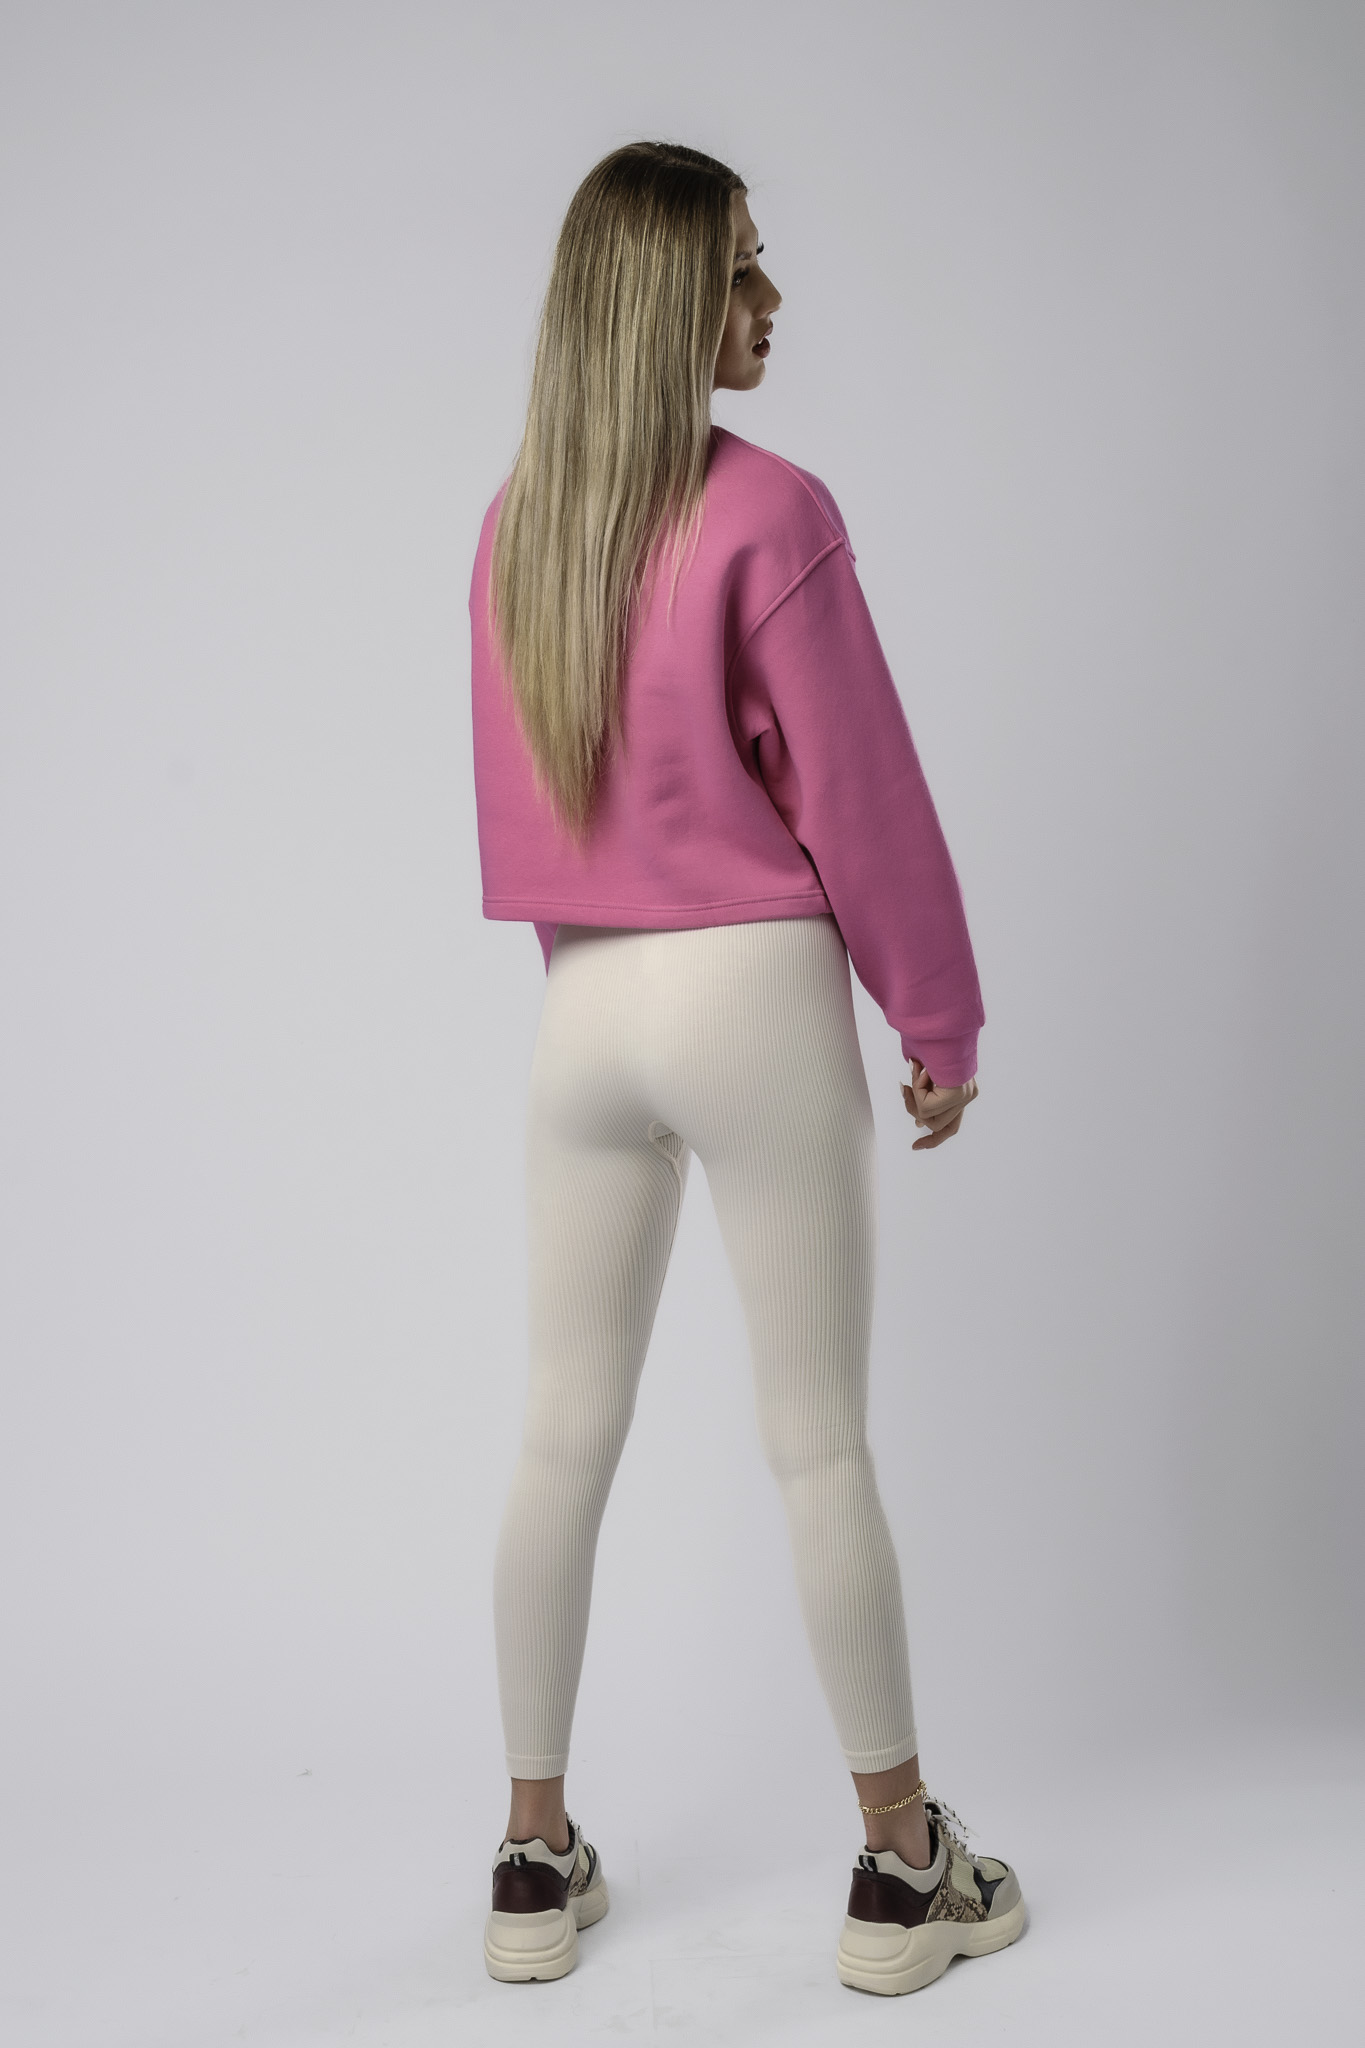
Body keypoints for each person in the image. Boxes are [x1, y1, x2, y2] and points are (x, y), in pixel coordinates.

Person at [468, 141, 1025, 1999]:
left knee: (559, 1431)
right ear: (663, 304)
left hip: (582, 1008)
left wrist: (610, 980)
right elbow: (860, 794)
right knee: (817, 1442)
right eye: (739, 274)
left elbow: (533, 801)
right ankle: (904, 1867)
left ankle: (530, 1856)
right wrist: (935, 1021)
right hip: (750, 989)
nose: (770, 303)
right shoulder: (768, 512)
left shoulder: (520, 524)